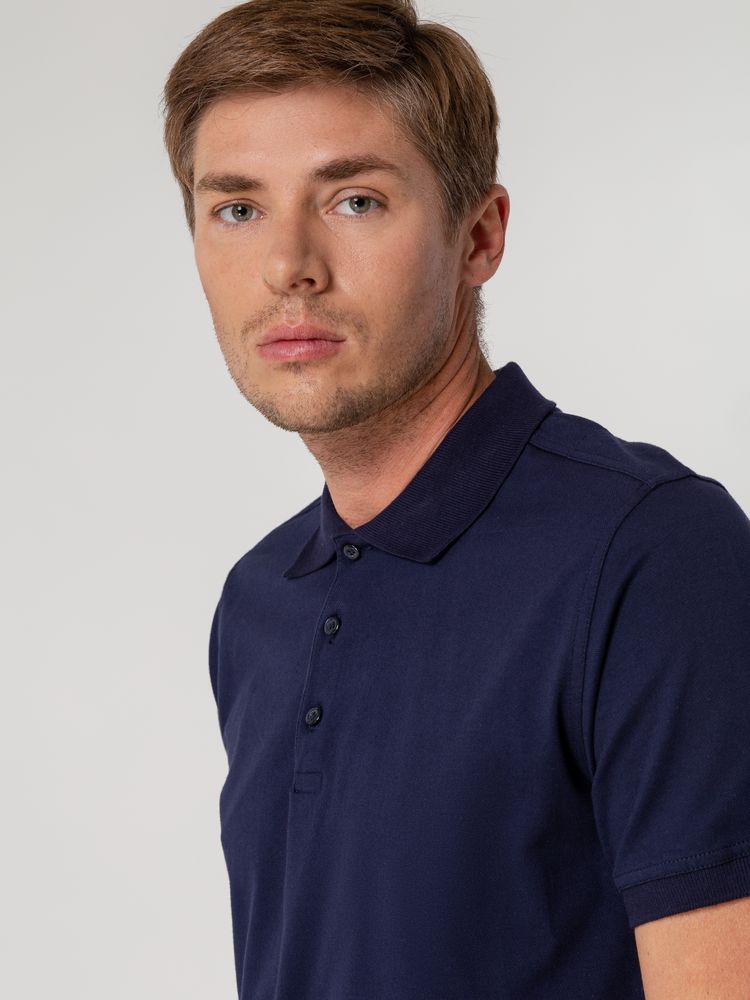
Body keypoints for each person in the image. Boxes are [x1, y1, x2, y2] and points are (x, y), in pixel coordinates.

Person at [160, 2, 750, 997]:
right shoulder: (259, 601)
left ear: (480, 235)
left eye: (354, 200)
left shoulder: (651, 553)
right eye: (238, 209)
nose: (288, 266)